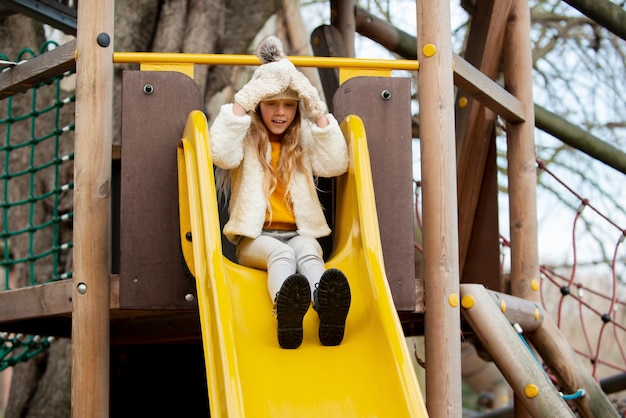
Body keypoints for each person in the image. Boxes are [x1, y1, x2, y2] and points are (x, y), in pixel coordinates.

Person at [209, 35, 351, 349]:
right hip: (255, 239)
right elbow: (219, 152)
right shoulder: (245, 138)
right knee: (282, 254)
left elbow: (337, 163)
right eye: (272, 103)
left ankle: (326, 309)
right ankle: (285, 312)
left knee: (309, 253)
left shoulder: (302, 141)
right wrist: (245, 99)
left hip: (297, 232)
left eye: (288, 105)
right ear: (259, 105)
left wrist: (315, 108)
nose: (280, 112)